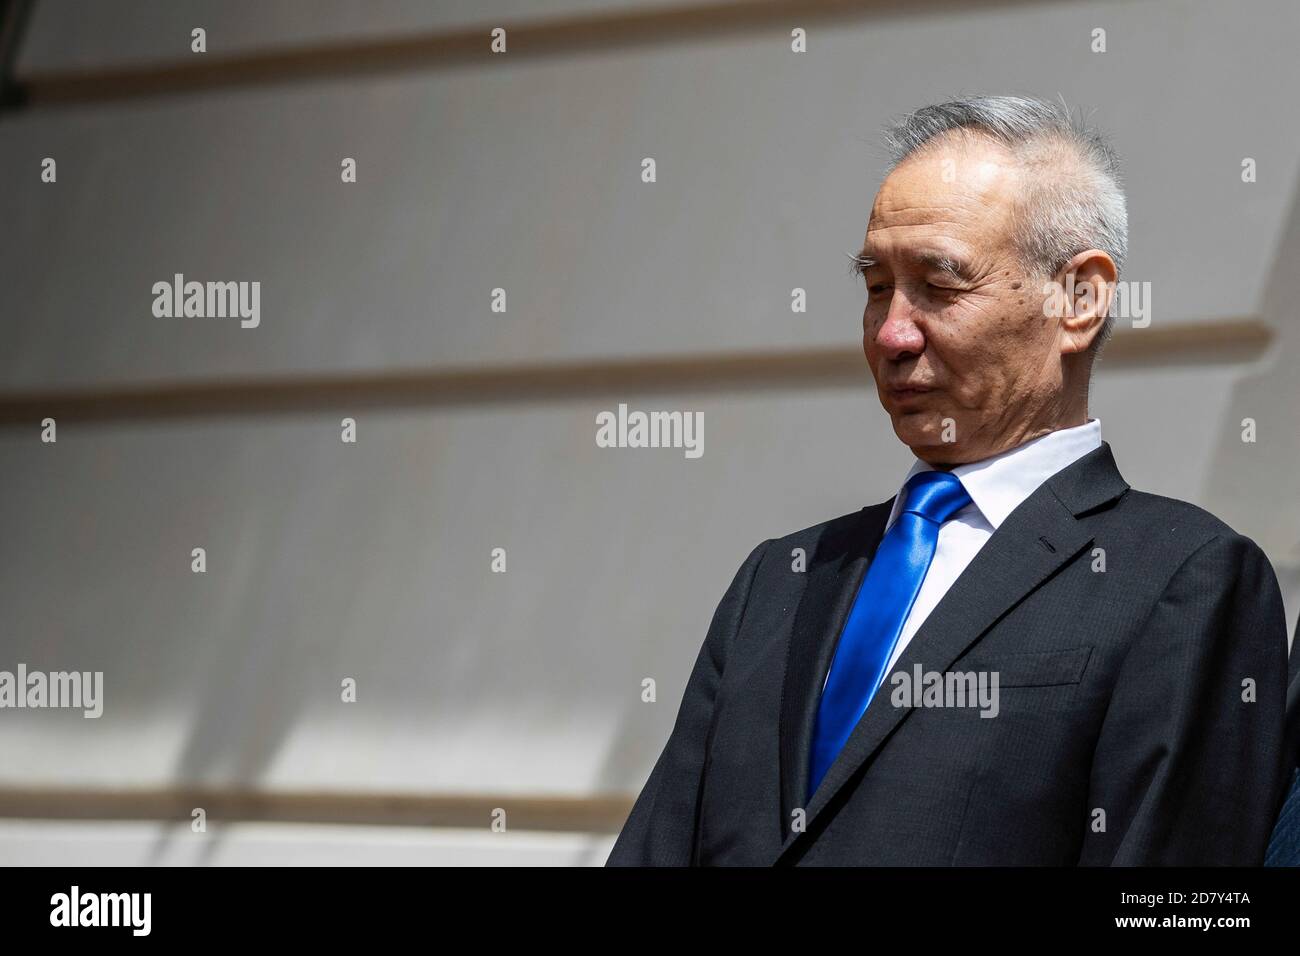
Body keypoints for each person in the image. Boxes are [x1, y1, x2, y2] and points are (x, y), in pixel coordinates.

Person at [607, 95, 1290, 866]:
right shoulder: (779, 581)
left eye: (939, 284)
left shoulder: (1182, 578)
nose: (893, 333)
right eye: (875, 287)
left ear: (1079, 298)